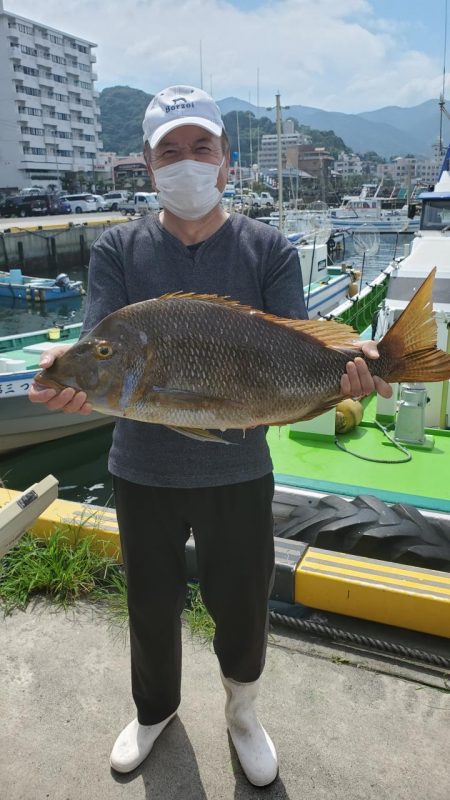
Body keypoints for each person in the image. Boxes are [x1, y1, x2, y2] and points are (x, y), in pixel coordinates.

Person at [29, 85, 392, 787]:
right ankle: (154, 710)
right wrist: (71, 371)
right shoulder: (117, 248)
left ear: (226, 162)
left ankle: (243, 713)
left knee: (243, 595)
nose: (186, 163)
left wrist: (344, 376)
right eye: (170, 151)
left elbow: (298, 346)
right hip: (141, 468)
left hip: (239, 469)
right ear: (147, 165)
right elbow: (96, 343)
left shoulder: (266, 248)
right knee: (149, 597)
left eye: (201, 148)